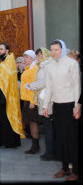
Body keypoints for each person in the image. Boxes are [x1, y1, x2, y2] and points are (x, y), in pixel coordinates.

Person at [43, 40, 81, 181]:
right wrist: (46, 105)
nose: (53, 52)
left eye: (56, 50)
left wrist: (78, 105)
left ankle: (76, 171)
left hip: (70, 105)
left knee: (71, 138)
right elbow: (49, 87)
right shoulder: (50, 66)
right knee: (59, 138)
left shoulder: (72, 64)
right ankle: (65, 168)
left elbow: (77, 86)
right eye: (51, 50)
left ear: (62, 49)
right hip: (57, 106)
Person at [0, 43, 25, 148]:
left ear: (7, 50)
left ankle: (9, 141)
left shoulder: (9, 62)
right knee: (2, 117)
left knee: (7, 117)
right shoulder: (4, 62)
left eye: (1, 49)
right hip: (2, 94)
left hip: (7, 95)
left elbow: (6, 79)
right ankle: (2, 140)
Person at [25, 48, 53, 160]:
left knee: (49, 127)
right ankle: (49, 151)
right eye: (37, 55)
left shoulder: (47, 66)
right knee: (47, 127)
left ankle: (50, 152)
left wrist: (30, 86)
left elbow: (45, 82)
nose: (38, 57)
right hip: (42, 99)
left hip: (48, 100)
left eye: (40, 55)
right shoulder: (42, 65)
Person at [20, 50, 41, 154]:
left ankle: (35, 146)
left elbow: (34, 85)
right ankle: (34, 145)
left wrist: (33, 101)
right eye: (24, 57)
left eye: (27, 57)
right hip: (26, 99)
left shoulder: (34, 69)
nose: (25, 59)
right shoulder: (29, 68)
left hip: (31, 100)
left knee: (33, 123)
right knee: (30, 123)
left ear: (33, 58)